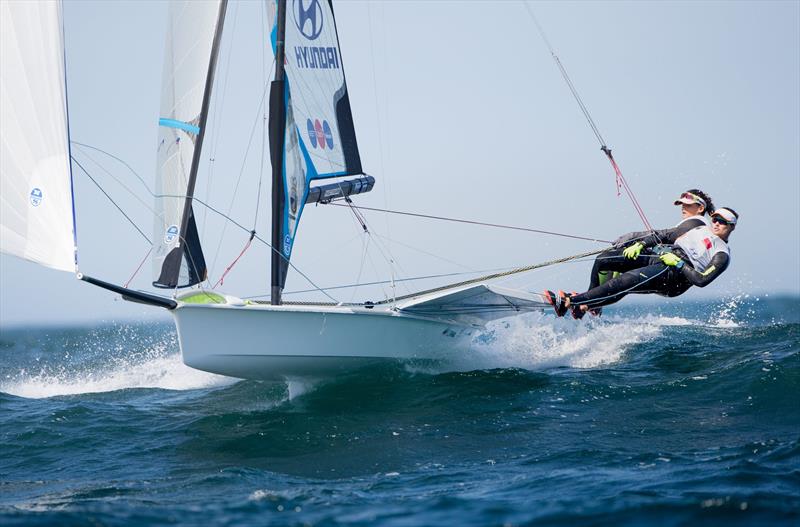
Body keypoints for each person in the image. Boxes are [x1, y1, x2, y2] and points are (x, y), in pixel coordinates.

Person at [543, 203, 738, 319]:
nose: (716, 223)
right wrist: (639, 244)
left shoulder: (722, 253)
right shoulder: (697, 228)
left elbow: (701, 280)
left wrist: (678, 263)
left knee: (625, 280)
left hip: (675, 276)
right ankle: (589, 304)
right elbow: (663, 235)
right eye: (715, 218)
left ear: (731, 226)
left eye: (722, 221)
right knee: (605, 259)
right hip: (661, 260)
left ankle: (571, 302)